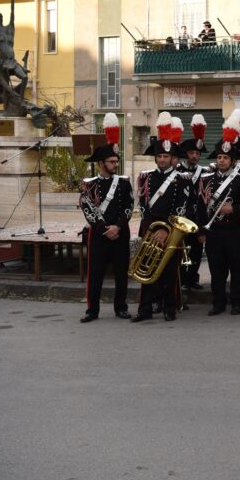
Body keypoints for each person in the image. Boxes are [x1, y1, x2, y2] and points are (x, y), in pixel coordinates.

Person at [132, 113, 192, 322]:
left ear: (172, 158)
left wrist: (166, 230)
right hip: (150, 229)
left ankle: (169, 308)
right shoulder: (146, 177)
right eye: (159, 156)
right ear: (156, 158)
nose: (163, 159)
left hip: (170, 230)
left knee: (169, 271)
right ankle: (145, 309)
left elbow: (182, 207)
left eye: (166, 156)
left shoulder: (182, 179)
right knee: (145, 269)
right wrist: (154, 229)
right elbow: (143, 206)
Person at [78, 113, 133, 323]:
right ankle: (92, 310)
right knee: (95, 274)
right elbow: (88, 209)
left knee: (121, 273)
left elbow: (129, 207)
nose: (115, 164)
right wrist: (104, 229)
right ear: (101, 163)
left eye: (117, 160)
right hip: (99, 235)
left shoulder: (124, 182)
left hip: (120, 232)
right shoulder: (89, 184)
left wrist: (117, 227)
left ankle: (121, 307)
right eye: (111, 161)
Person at [199, 119, 240, 315]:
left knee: (237, 268)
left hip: (235, 230)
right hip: (214, 232)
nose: (221, 160)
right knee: (216, 269)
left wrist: (234, 209)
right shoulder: (206, 179)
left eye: (225, 158)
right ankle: (218, 303)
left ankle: (237, 302)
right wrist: (200, 230)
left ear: (232, 160)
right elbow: (200, 207)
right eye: (219, 157)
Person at [177, 115, 208, 291]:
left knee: (197, 249)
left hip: (198, 218)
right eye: (191, 153)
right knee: (183, 250)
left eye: (197, 153)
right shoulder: (177, 171)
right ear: (185, 154)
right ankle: (182, 279)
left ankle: (193, 279)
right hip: (182, 219)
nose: (195, 156)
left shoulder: (204, 172)